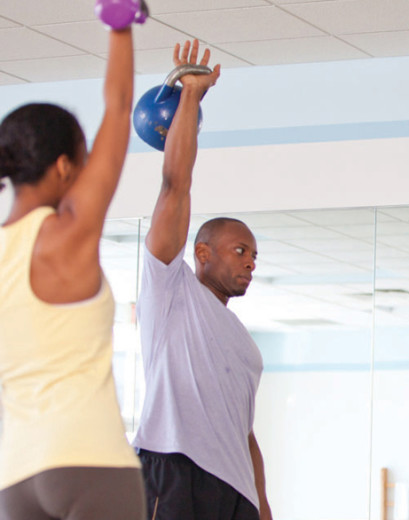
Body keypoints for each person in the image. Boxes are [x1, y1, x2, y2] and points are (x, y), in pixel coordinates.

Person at [0, 19, 145, 520]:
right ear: (64, 168)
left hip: (15, 477)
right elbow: (120, 106)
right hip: (90, 464)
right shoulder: (67, 233)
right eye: (83, 164)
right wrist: (119, 23)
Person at [132, 40, 272, 520]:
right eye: (240, 251)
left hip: (234, 489)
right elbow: (177, 182)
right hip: (172, 466)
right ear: (202, 253)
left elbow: (244, 431)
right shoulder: (169, 290)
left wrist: (262, 502)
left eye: (254, 255)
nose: (250, 262)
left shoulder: (244, 346)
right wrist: (190, 96)